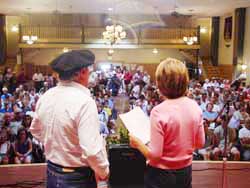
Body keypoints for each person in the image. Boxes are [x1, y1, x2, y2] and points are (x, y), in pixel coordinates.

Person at [30, 50, 109, 188]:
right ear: (82, 73)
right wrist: (103, 171)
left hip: (52, 170)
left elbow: (35, 130)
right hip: (76, 176)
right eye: (89, 71)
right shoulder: (84, 101)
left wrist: (58, 143)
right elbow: (91, 151)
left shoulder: (46, 96)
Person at [129, 58, 205, 188]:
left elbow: (155, 156)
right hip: (185, 172)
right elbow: (200, 143)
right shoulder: (195, 106)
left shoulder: (158, 111)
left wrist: (138, 143)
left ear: (160, 84)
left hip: (161, 176)